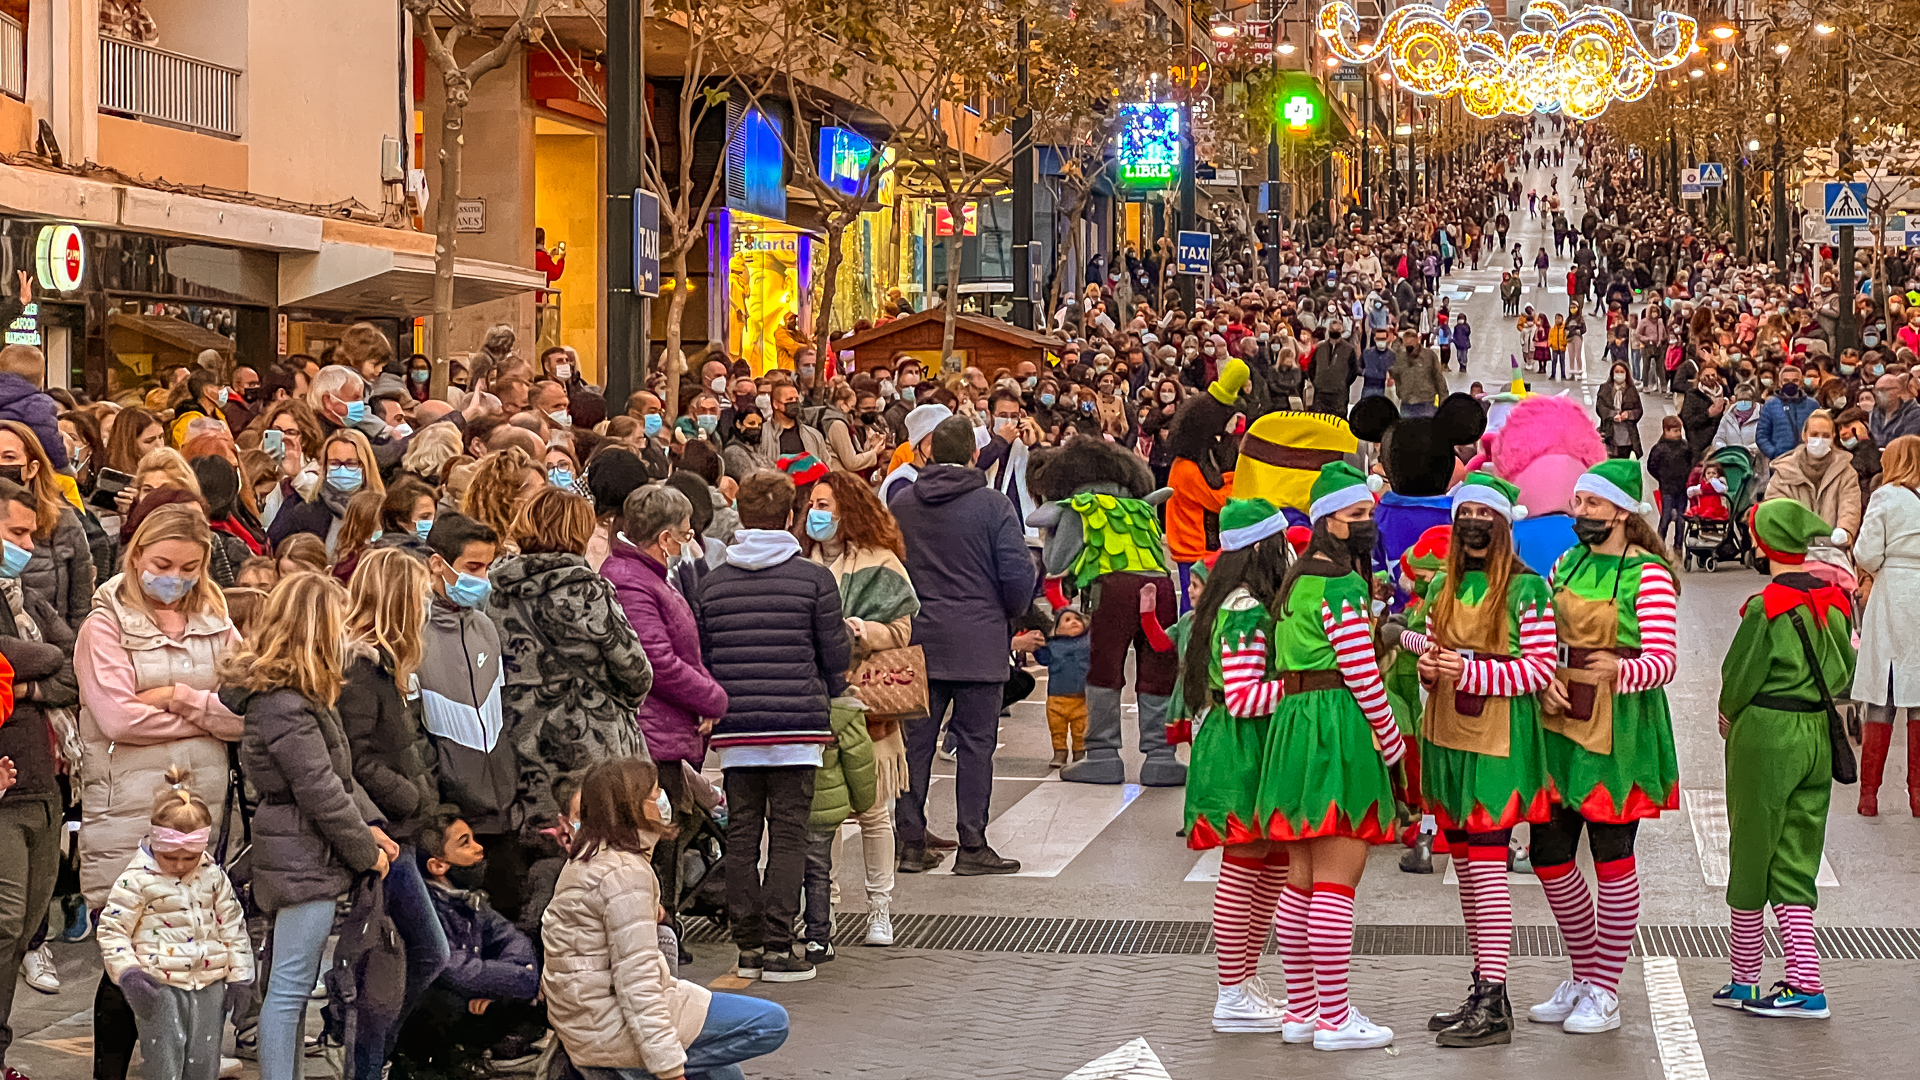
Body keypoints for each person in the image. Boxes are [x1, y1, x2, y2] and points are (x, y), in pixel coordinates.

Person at [73, 504, 238, 1077]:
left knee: (190, 958)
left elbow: (243, 712)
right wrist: (206, 712)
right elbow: (118, 719)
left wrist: (175, 696)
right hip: (129, 811)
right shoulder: (104, 625)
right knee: (128, 961)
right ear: (138, 555)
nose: (176, 577)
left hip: (202, 812)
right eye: (163, 564)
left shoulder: (216, 616)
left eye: (190, 567)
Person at [1398, 474, 1556, 1047]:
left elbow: (1539, 670)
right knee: (1466, 868)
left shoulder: (1527, 591)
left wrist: (1465, 671)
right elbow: (1436, 649)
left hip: (1497, 739)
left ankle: (1493, 998)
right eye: (1463, 513)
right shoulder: (1446, 585)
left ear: (1503, 525)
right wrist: (1427, 664)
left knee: (1487, 872)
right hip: (1446, 731)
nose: (1471, 525)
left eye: (1482, 516)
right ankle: (1485, 990)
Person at [1250, 463, 1404, 1051]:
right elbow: (1361, 673)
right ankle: (1336, 1019)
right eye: (1357, 516)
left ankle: (1303, 1011)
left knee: (1301, 880)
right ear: (1328, 522)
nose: (1367, 524)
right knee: (1339, 879)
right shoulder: (1342, 587)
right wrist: (1389, 740)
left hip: (1293, 726)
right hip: (1334, 724)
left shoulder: (1296, 582)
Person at [223, 572, 399, 1080]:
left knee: (292, 985)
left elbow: (335, 779)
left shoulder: (297, 696)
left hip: (300, 846)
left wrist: (372, 827)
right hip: (301, 852)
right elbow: (320, 790)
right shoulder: (286, 705)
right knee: (291, 984)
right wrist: (366, 850)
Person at [1530, 459, 1680, 1037]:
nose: (1580, 513)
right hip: (1562, 719)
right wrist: (1544, 673)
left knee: (1613, 859)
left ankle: (1605, 989)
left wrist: (1621, 668)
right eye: (1577, 502)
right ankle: (1586, 972)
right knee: (1549, 857)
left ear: (1622, 511)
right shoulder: (1565, 564)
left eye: (1591, 504)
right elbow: (1541, 636)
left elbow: (1663, 662)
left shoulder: (1647, 573)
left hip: (1621, 730)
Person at [541, 757, 790, 1080]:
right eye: (655, 793)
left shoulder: (591, 858)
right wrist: (669, 1068)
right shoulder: (624, 873)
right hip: (605, 1023)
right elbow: (637, 983)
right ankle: (626, 1072)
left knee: (724, 1073)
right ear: (633, 807)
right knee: (769, 1024)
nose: (664, 800)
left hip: (589, 1017)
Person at [696, 469, 851, 982]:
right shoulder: (813, 579)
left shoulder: (713, 584)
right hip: (798, 725)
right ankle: (783, 947)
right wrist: (828, 688)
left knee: (741, 835)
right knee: (788, 836)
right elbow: (835, 655)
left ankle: (748, 946)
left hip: (736, 727)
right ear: (791, 517)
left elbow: (706, 656)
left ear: (740, 516)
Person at [1713, 499, 1854, 1018]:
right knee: (1798, 854)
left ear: (1763, 543)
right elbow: (1846, 670)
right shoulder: (1835, 601)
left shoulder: (1764, 606)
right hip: (1817, 729)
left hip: (1767, 733)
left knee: (1751, 850)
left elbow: (1740, 674)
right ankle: (1805, 983)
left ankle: (1745, 979)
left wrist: (1728, 714)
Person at [888, 418, 1035, 875]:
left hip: (919, 640)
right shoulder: (992, 506)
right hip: (978, 640)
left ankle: (910, 841)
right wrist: (1007, 615)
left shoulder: (904, 503)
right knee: (975, 746)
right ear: (974, 454)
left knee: (915, 744)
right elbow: (1017, 574)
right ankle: (972, 844)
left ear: (930, 453)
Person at [489, 487, 654, 883]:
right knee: (604, 864)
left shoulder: (495, 593)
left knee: (543, 858)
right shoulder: (585, 589)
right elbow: (635, 670)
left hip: (522, 745)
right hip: (592, 750)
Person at [1178, 499, 1293, 1034]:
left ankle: (1243, 981)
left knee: (1267, 865)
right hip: (1242, 747)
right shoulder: (1246, 609)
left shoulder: (1232, 601)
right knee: (1245, 866)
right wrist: (1302, 687)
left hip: (1246, 745)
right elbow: (1246, 696)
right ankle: (1231, 990)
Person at [338, 548, 449, 1077]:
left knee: (408, 958)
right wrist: (413, 797)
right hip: (384, 833)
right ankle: (368, 1061)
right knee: (423, 952)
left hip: (399, 827)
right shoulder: (362, 672)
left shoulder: (385, 670)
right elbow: (359, 760)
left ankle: (373, 1058)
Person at [798, 471, 916, 946]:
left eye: (824, 503)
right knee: (822, 816)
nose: (815, 512)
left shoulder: (881, 562)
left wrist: (866, 630)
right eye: (812, 503)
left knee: (873, 814)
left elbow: (903, 630)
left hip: (870, 709)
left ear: (848, 511)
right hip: (814, 703)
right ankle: (823, 908)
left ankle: (879, 909)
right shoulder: (796, 559)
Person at [601, 485, 728, 927]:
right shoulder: (631, 580)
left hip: (664, 730)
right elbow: (657, 660)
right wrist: (712, 697)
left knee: (677, 825)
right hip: (651, 735)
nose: (689, 543)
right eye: (686, 534)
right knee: (657, 837)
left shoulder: (646, 575)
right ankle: (659, 930)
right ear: (665, 538)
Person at [95, 767, 253, 1080]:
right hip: (159, 987)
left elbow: (233, 928)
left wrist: (240, 975)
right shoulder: (136, 881)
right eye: (170, 857)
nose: (180, 865)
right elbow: (113, 931)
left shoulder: (213, 877)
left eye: (189, 857)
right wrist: (128, 973)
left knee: (203, 1064)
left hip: (209, 982)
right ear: (155, 843)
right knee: (164, 1063)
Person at [0, 476, 80, 1080]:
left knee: (28, 925)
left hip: (47, 780)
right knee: (2, 928)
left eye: (31, 534)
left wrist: (20, 683)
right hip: (5, 790)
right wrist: (39, 665)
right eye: (16, 533)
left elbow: (72, 663)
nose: (26, 546)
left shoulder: (30, 599)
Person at [419, 514, 523, 912]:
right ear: (437, 564)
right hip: (452, 811)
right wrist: (437, 804)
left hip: (501, 806)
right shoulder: (413, 631)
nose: (482, 579)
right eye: (472, 568)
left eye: (488, 567)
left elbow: (504, 708)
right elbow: (413, 728)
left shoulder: (485, 627)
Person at [396, 813, 543, 1072]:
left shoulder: (468, 900)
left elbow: (511, 938)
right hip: (422, 1010)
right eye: (466, 843)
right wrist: (516, 980)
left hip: (471, 990)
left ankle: (477, 1051)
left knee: (530, 966)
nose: (479, 849)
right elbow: (456, 971)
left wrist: (509, 979)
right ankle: (428, 1061)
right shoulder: (421, 907)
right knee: (449, 1001)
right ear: (437, 866)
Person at [1849, 435, 1920, 817]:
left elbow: (1867, 552)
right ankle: (1919, 795)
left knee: (1884, 693)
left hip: (1894, 591)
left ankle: (1869, 795)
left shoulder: (1886, 497)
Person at [266, 428, 384, 556]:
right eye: (335, 463)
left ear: (365, 466)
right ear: (325, 466)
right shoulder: (305, 511)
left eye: (351, 463)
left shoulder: (383, 511)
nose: (342, 469)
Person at [1763, 411, 1861, 548]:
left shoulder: (1846, 472)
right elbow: (1774, 506)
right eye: (1814, 435)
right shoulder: (1785, 471)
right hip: (1794, 552)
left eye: (1825, 436)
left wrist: (1845, 530)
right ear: (1804, 435)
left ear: (1833, 437)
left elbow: (1850, 505)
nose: (1820, 440)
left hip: (1833, 551)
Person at [1037, 604, 1090, 769]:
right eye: (1067, 620)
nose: (1074, 622)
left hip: (1082, 698)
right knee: (1057, 728)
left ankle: (1079, 753)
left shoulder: (1088, 642)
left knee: (1080, 729)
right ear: (1057, 630)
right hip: (1056, 698)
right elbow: (1043, 659)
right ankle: (1059, 752)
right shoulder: (1053, 646)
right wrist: (1037, 647)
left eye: (1077, 619)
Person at [1645, 416, 1694, 551]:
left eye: (1679, 431)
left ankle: (1678, 546)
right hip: (1667, 488)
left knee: (1681, 519)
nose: (1678, 434)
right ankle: (1659, 545)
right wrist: (1662, 478)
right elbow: (1651, 466)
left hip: (1682, 487)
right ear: (1665, 431)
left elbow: (1691, 461)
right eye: (1674, 431)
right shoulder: (1659, 448)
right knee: (1665, 517)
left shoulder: (1685, 446)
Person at [1757, 364, 1817, 460]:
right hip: (1780, 460)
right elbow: (1761, 435)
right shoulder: (1770, 405)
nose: (1790, 384)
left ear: (1801, 382)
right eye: (1786, 381)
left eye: (1795, 380)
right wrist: (1773, 453)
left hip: (1807, 459)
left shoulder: (1812, 405)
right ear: (1780, 383)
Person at [1594, 361, 1642, 459]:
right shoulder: (1605, 388)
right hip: (1610, 431)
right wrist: (1612, 414)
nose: (1619, 374)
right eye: (1617, 371)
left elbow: (1639, 410)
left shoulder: (1631, 390)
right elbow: (1600, 407)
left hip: (1627, 433)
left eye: (1622, 372)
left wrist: (1628, 414)